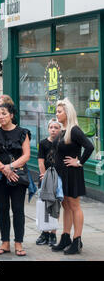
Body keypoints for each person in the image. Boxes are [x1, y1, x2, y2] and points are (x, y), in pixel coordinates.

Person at [51, 98, 94, 255]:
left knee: (74, 205)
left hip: (72, 173)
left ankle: (77, 240)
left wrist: (79, 162)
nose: (57, 113)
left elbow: (89, 146)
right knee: (66, 205)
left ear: (67, 113)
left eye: (59, 111)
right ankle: (65, 237)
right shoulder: (64, 130)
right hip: (62, 174)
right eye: (57, 111)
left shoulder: (74, 130)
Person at [0, 103, 30, 257]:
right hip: (0, 177)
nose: (1, 117)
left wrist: (11, 167)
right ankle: (5, 242)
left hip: (18, 176)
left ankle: (18, 243)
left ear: (11, 115)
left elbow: (26, 155)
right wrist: (3, 169)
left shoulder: (22, 132)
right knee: (3, 209)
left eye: (4, 113)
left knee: (18, 209)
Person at [36, 118, 62, 247]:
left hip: (57, 180)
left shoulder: (61, 144)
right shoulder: (43, 143)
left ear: (60, 130)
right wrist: (44, 176)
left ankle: (53, 233)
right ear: (48, 129)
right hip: (45, 179)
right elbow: (41, 161)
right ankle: (44, 232)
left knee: (55, 206)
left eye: (56, 128)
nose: (53, 130)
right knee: (43, 207)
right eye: (51, 127)